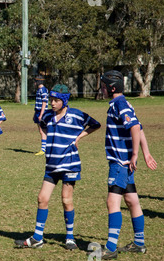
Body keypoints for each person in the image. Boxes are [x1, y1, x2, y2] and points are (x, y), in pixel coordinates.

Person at [16, 84, 101, 250]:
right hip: (51, 165)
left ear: (64, 101)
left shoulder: (76, 115)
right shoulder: (47, 115)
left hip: (69, 164)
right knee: (42, 198)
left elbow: (95, 124)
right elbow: (41, 124)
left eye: (56, 100)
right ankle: (37, 238)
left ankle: (70, 238)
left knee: (66, 200)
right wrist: (46, 137)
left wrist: (78, 138)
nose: (52, 103)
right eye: (51, 100)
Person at [98, 70, 157, 259]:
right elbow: (139, 127)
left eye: (104, 86)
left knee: (112, 202)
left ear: (112, 88)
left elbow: (133, 127)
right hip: (126, 162)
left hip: (120, 162)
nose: (102, 89)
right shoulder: (124, 103)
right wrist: (145, 154)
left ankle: (111, 247)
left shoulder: (119, 104)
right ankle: (139, 243)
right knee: (132, 200)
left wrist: (135, 154)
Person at [33, 75, 48, 156]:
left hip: (41, 112)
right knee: (41, 131)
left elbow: (44, 102)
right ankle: (45, 148)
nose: (34, 83)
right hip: (38, 112)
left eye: (35, 81)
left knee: (43, 131)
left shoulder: (43, 90)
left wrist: (41, 114)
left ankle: (43, 149)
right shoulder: (39, 90)